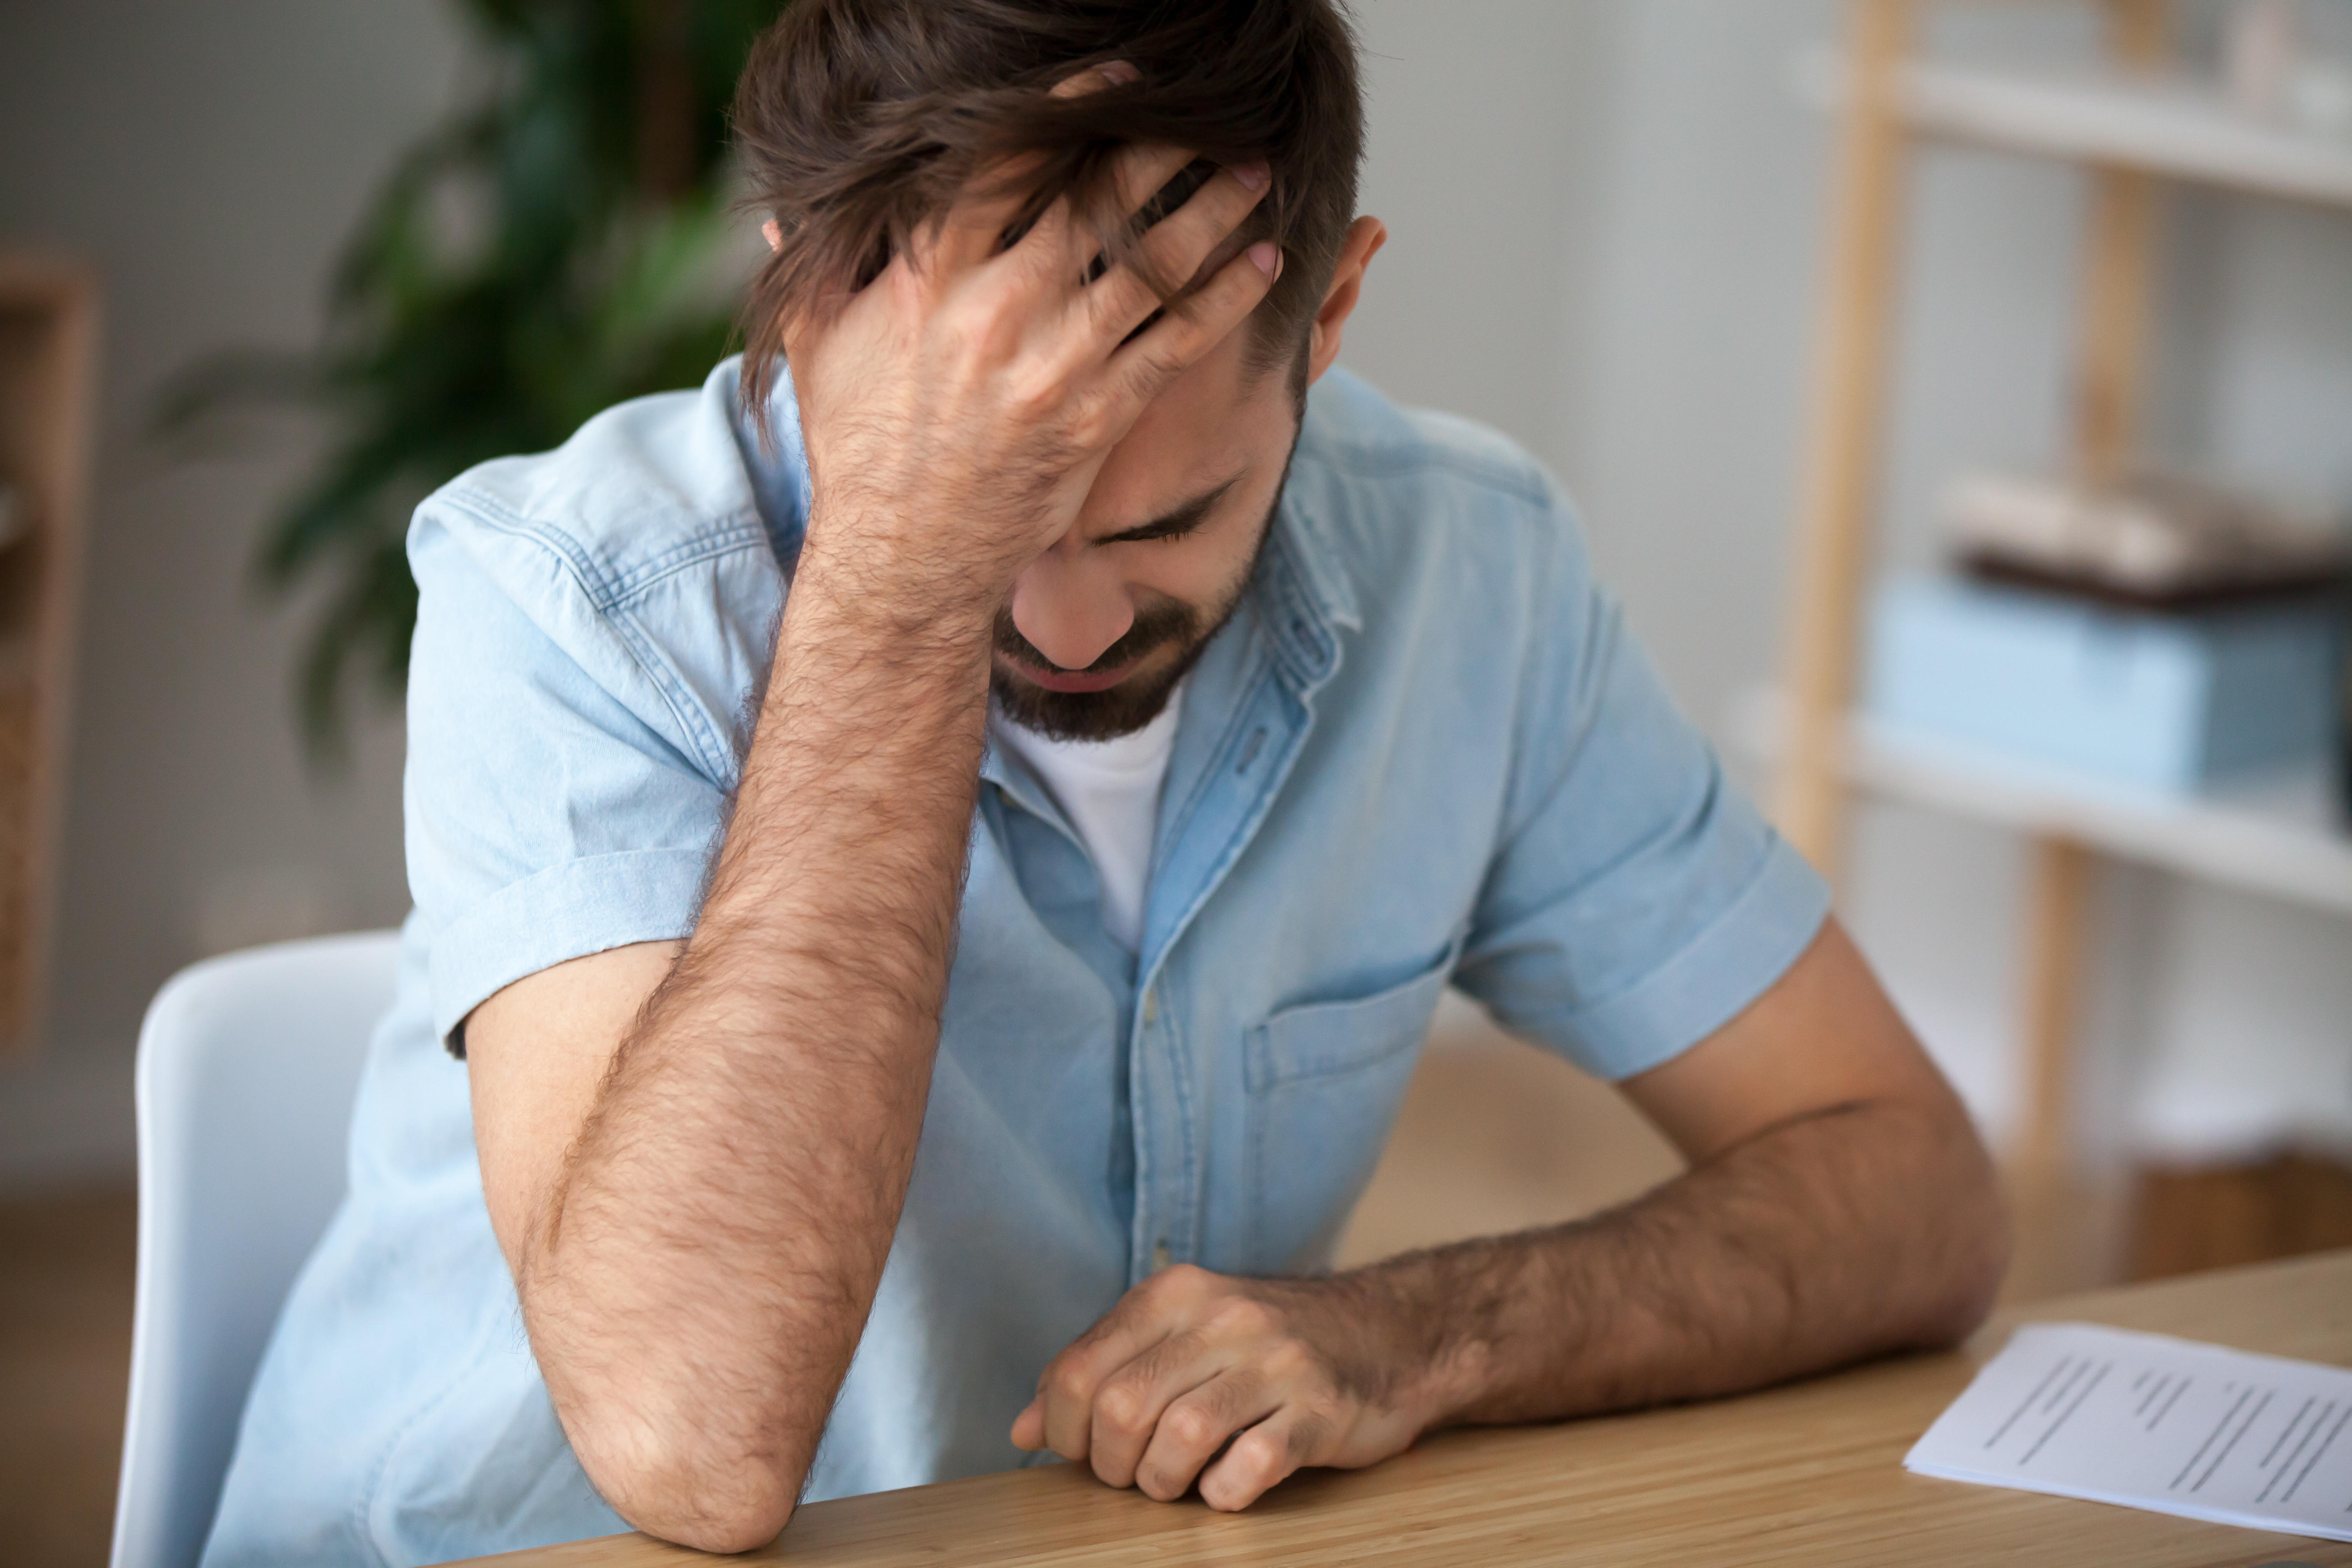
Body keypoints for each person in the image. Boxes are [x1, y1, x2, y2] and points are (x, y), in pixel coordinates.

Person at [203, 3, 2007, 1562]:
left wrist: (1416, 1332)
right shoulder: (575, 602)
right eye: (998, 508)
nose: (1065, 621)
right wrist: (904, 572)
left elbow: (1914, 1192)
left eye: (1169, 517)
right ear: (798, 292)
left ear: (1334, 311)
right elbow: (691, 1441)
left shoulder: (1470, 570)